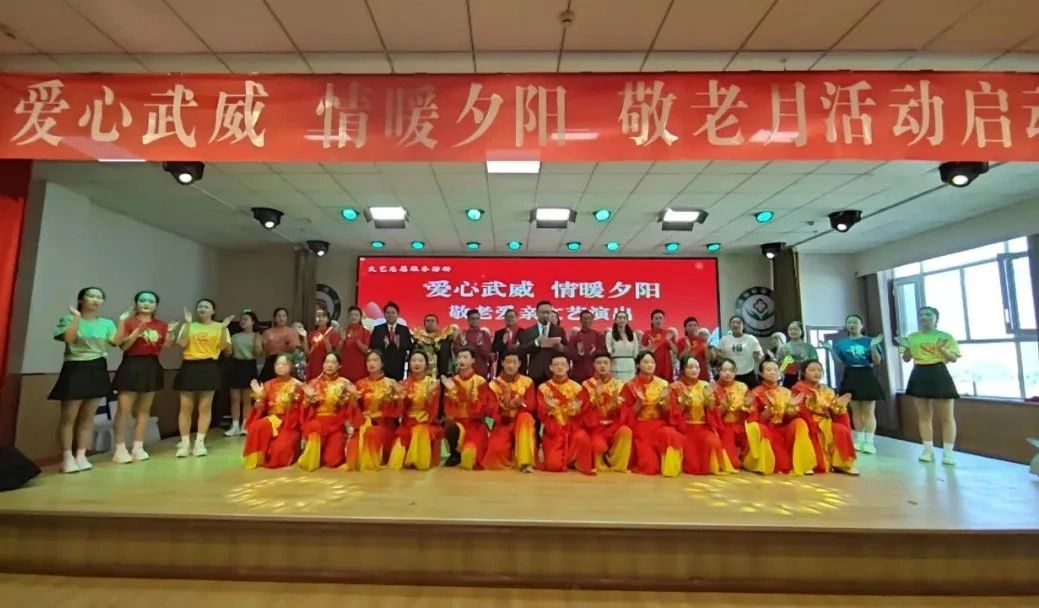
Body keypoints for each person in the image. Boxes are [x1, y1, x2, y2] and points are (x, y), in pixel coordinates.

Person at [50, 287, 118, 474]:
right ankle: (67, 457)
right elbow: (69, 338)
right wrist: (77, 318)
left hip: (98, 367)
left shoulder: (106, 323)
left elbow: (116, 342)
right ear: (81, 300)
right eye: (91, 296)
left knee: (88, 417)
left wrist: (125, 322)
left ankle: (81, 455)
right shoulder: (69, 319)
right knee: (69, 417)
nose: (96, 300)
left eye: (99, 297)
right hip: (75, 367)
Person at [111, 291, 177, 464]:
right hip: (131, 364)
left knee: (144, 410)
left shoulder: (161, 324)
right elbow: (123, 346)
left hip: (152, 365)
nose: (147, 304)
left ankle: (138, 447)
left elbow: (166, 345)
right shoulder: (128, 321)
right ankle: (120, 448)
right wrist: (136, 332)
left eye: (151, 301)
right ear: (136, 303)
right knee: (124, 410)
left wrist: (170, 333)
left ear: (156, 305)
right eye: (142, 300)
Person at [898, 306, 961, 465]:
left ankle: (948, 454)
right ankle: (928, 451)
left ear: (936, 319)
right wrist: (907, 347)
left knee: (947, 416)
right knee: (924, 416)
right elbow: (906, 358)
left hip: (939, 372)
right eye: (921, 315)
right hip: (919, 372)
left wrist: (940, 349)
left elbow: (953, 358)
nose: (924, 317)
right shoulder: (911, 337)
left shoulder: (945, 336)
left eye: (928, 314)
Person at [173, 299, 232, 458]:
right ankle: (185, 443)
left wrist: (223, 328)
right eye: (200, 306)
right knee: (185, 407)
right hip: (189, 366)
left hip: (209, 367)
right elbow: (182, 343)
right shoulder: (189, 325)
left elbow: (223, 347)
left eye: (206, 307)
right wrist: (187, 324)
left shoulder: (220, 327)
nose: (202, 309)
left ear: (213, 311)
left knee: (205, 407)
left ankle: (199, 443)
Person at [826, 314, 885, 454]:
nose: (852, 325)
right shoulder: (840, 343)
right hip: (850, 374)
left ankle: (869, 442)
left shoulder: (870, 341)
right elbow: (839, 361)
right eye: (849, 322)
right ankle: (859, 438)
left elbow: (877, 361)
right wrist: (830, 350)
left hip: (866, 374)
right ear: (846, 325)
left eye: (855, 322)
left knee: (869, 411)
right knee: (856, 410)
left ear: (861, 325)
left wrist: (873, 346)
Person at [745, 360, 814, 476]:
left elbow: (789, 418)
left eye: (775, 370)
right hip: (767, 428)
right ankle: (764, 463)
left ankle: (804, 464)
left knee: (800, 423)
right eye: (768, 370)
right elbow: (754, 420)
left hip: (783, 428)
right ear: (761, 373)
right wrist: (769, 410)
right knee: (756, 427)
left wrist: (791, 409)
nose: (773, 372)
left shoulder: (786, 392)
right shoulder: (756, 392)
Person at [620, 351, 684, 477]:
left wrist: (663, 404)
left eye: (652, 362)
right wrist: (638, 405)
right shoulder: (630, 386)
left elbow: (671, 413)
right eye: (646, 362)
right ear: (638, 365)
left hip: (660, 424)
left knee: (671, 435)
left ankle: (670, 470)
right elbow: (624, 414)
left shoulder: (664, 385)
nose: (650, 365)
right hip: (640, 426)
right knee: (649, 467)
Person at [669, 355, 735, 475]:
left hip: (703, 427)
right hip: (684, 429)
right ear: (683, 369)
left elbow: (713, 412)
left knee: (714, 443)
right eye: (690, 367)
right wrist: (683, 404)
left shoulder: (705, 385)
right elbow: (672, 415)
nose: (694, 370)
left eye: (697, 367)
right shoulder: (675, 387)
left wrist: (709, 401)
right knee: (693, 466)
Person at [792, 360, 858, 476]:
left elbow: (834, 411)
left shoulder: (827, 390)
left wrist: (839, 405)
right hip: (807, 420)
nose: (816, 373)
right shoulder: (798, 388)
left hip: (825, 421)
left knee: (840, 429)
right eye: (812, 370)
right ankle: (808, 464)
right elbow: (798, 409)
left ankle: (843, 464)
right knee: (808, 430)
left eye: (819, 370)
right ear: (803, 372)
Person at [297, 353, 357, 471]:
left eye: (333, 362)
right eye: (327, 362)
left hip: (336, 425)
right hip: (317, 424)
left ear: (339, 366)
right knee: (315, 428)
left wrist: (353, 397)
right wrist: (308, 399)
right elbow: (304, 409)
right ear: (323, 365)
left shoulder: (345, 383)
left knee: (333, 461)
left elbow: (351, 409)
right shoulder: (314, 383)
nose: (329, 365)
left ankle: (325, 449)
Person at [537, 353, 594, 475]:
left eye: (563, 364)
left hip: (572, 430)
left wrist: (573, 411)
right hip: (553, 432)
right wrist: (551, 409)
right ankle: (564, 459)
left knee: (582, 436)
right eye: (556, 365)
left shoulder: (577, 388)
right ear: (551, 367)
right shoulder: (543, 388)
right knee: (553, 466)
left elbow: (583, 412)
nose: (559, 367)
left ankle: (572, 459)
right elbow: (542, 414)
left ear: (568, 367)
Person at [242, 354, 303, 469]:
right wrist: (259, 397)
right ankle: (257, 459)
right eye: (277, 364)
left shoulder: (298, 385)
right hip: (272, 419)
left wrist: (290, 402)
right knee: (256, 427)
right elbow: (260, 409)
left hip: (289, 424)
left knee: (279, 453)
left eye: (284, 364)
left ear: (291, 366)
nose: (280, 367)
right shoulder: (268, 384)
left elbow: (301, 411)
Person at [345, 350, 402, 471]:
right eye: (369, 361)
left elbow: (397, 411)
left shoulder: (390, 383)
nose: (372, 363)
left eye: (375, 360)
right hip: (363, 423)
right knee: (353, 445)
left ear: (382, 363)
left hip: (383, 424)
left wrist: (398, 396)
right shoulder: (360, 384)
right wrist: (352, 399)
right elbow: (355, 409)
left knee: (371, 434)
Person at [387, 351, 443, 471]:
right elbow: (400, 411)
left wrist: (429, 394)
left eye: (420, 361)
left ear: (426, 364)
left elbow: (434, 411)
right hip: (407, 424)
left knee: (419, 432)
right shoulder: (403, 384)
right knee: (395, 462)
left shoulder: (432, 384)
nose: (417, 363)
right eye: (413, 360)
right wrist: (399, 395)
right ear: (409, 363)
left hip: (426, 423)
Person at [483, 348, 537, 472]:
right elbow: (490, 410)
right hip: (502, 422)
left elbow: (531, 406)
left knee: (526, 418)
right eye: (508, 362)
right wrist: (503, 406)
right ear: (502, 363)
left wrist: (520, 403)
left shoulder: (527, 382)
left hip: (520, 421)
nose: (511, 365)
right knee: (494, 458)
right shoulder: (493, 385)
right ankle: (511, 453)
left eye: (514, 362)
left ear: (520, 364)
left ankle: (525, 462)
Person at [442, 347, 494, 469]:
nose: (461, 360)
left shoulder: (480, 381)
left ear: (473, 360)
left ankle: (465, 451)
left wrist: (457, 393)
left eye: (465, 357)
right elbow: (448, 408)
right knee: (450, 426)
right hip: (458, 423)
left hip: (474, 426)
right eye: (459, 357)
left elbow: (481, 410)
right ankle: (454, 452)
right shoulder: (453, 381)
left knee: (468, 461)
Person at [583, 352, 631, 473]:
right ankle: (601, 464)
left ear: (611, 365)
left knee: (626, 432)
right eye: (599, 363)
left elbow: (626, 409)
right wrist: (595, 398)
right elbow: (584, 410)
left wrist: (617, 404)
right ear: (594, 365)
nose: (602, 366)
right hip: (595, 427)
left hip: (614, 425)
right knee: (597, 445)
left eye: (605, 363)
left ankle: (618, 465)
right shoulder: (586, 385)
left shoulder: (619, 385)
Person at [225, 311, 262, 437]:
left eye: (246, 319)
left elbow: (259, 354)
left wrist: (257, 341)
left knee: (247, 399)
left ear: (253, 322)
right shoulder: (234, 336)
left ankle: (245, 425)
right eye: (241, 319)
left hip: (249, 366)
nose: (243, 321)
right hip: (235, 366)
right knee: (234, 398)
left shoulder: (257, 336)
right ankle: (235, 425)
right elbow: (228, 353)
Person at [712, 358, 753, 469]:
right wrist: (725, 406)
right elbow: (711, 415)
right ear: (717, 371)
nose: (728, 373)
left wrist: (747, 406)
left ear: (735, 372)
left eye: (731, 370)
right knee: (733, 464)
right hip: (723, 427)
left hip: (741, 426)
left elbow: (751, 409)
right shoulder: (713, 388)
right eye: (724, 370)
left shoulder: (742, 387)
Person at [519, 300, 568, 385]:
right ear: (537, 313)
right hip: (536, 372)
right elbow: (522, 350)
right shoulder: (529, 331)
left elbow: (567, 349)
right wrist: (536, 342)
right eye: (542, 312)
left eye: (548, 312)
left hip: (554, 372)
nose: (545, 315)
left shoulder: (559, 330)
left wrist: (562, 348)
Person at [714, 315, 763, 388]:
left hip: (747, 373)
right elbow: (718, 355)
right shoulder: (724, 339)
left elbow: (759, 356)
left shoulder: (751, 339)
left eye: (738, 323)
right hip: (730, 374)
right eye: (733, 322)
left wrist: (757, 355)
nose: (735, 325)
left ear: (743, 325)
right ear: (729, 325)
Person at [368, 302, 412, 380]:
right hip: (382, 366)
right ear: (384, 314)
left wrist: (399, 344)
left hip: (398, 367)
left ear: (397, 314)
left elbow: (409, 346)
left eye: (393, 313)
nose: (390, 315)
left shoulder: (404, 329)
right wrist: (383, 344)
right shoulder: (378, 329)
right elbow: (372, 345)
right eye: (388, 313)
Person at [259, 307, 301, 381]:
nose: (281, 318)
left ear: (287, 318)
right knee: (267, 384)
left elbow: (294, 350)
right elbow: (265, 351)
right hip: (271, 361)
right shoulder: (267, 332)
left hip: (287, 360)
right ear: (274, 318)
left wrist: (288, 343)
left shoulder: (292, 332)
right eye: (279, 316)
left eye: (284, 316)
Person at [412, 313, 456, 379]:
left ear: (437, 324)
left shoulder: (444, 339)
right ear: (424, 324)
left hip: (439, 376)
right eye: (428, 321)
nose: (430, 322)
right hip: (421, 376)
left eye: (433, 321)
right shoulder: (418, 339)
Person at [567, 310, 606, 383]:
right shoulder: (574, 337)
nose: (587, 321)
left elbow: (603, 354)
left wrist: (594, 352)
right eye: (585, 318)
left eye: (589, 318)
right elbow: (569, 355)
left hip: (595, 373)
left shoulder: (598, 335)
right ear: (580, 320)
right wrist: (579, 353)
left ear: (592, 319)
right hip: (579, 374)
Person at [304, 308, 341, 381]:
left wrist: (326, 340)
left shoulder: (333, 333)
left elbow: (331, 353)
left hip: (325, 365)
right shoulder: (312, 333)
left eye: (323, 316)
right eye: (318, 316)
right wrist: (305, 337)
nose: (320, 318)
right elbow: (307, 353)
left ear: (328, 319)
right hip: (312, 365)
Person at [777, 321, 817, 388]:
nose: (793, 331)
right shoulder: (783, 347)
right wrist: (786, 361)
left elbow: (815, 363)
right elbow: (779, 366)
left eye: (795, 329)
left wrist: (802, 363)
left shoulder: (809, 347)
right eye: (790, 329)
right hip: (789, 377)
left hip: (805, 376)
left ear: (801, 331)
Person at [640, 309, 677, 382]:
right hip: (650, 367)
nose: (658, 320)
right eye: (656, 318)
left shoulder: (668, 333)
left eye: (660, 318)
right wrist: (648, 348)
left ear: (663, 320)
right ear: (652, 321)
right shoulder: (647, 334)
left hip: (665, 368)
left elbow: (676, 351)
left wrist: (669, 341)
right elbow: (640, 352)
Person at [454, 309, 492, 378]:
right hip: (465, 370)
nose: (475, 320)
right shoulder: (463, 334)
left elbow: (487, 355)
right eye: (472, 318)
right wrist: (463, 344)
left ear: (479, 319)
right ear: (468, 320)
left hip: (481, 371)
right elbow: (456, 353)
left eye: (477, 318)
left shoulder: (484, 334)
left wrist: (481, 345)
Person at [605, 310, 639, 382]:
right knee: (617, 387)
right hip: (616, 365)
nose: (622, 320)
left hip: (630, 365)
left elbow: (635, 351)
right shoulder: (610, 334)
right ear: (615, 320)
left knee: (630, 386)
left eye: (624, 318)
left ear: (627, 321)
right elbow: (608, 350)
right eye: (619, 317)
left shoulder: (633, 334)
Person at [340, 305, 370, 382]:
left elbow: (366, 351)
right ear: (349, 317)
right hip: (346, 368)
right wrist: (342, 340)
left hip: (360, 369)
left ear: (360, 317)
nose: (353, 317)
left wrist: (356, 340)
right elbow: (338, 351)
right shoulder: (344, 330)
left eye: (356, 315)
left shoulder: (366, 332)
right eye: (351, 315)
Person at [491, 309, 522, 376]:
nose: (509, 318)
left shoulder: (524, 332)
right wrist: (503, 342)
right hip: (503, 366)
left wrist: (520, 346)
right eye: (507, 317)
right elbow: (494, 349)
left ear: (517, 318)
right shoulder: (499, 333)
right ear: (504, 319)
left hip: (519, 366)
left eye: (512, 316)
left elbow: (527, 349)